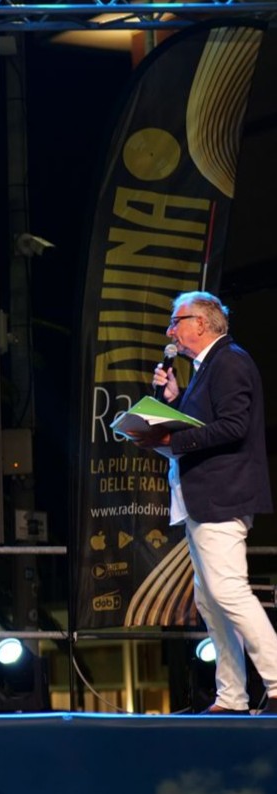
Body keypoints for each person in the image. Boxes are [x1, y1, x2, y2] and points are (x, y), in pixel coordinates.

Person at [130, 291, 277, 715]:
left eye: (176, 322)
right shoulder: (206, 367)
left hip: (221, 495)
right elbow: (205, 422)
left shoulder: (229, 361)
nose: (170, 331)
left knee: (229, 591)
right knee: (210, 601)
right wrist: (174, 402)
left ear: (201, 322)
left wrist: (170, 438)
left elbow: (233, 425)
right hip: (202, 497)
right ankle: (231, 696)